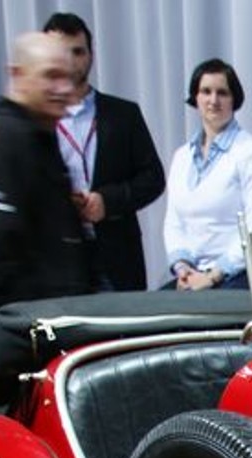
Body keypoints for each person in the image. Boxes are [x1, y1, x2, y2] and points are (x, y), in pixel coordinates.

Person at [0, 32, 94, 334]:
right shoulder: (7, 138)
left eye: (68, 78)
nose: (63, 89)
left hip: (48, 320)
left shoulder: (37, 134)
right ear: (17, 75)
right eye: (51, 76)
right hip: (21, 328)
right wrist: (27, 320)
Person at [42, 12, 165, 291]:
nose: (72, 62)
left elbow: (152, 178)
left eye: (78, 51)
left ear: (91, 54)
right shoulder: (36, 120)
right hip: (57, 260)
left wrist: (107, 202)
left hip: (116, 254)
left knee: (126, 333)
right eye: (62, 53)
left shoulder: (122, 114)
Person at [163, 59, 252, 291]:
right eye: (206, 91)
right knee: (155, 313)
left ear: (234, 100)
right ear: (195, 97)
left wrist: (214, 275)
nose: (213, 100)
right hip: (202, 272)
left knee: (209, 312)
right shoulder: (181, 157)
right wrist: (183, 268)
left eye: (222, 93)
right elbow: (174, 222)